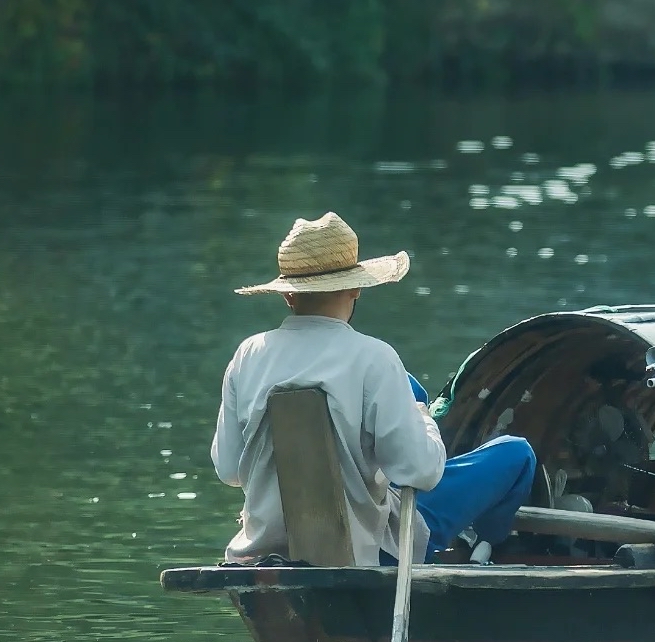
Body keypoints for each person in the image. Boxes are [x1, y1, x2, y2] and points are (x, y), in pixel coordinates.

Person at [212, 211, 536, 565]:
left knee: (408, 390)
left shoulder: (247, 355)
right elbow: (420, 472)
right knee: (515, 454)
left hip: (264, 550)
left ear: (288, 295)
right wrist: (423, 419)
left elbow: (229, 469)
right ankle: (481, 547)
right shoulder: (375, 358)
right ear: (356, 287)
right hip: (366, 552)